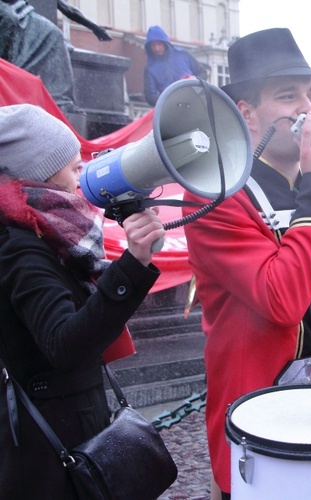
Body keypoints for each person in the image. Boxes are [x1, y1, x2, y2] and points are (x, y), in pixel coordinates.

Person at [181, 28, 311, 498]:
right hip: (257, 418)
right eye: (287, 96)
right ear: (246, 112)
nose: (308, 109)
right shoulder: (213, 194)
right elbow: (280, 300)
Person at [0, 104, 164, 497]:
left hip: (63, 432)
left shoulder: (46, 232)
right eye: (73, 168)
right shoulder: (22, 247)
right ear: (41, 170)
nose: (81, 177)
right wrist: (133, 265)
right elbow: (65, 343)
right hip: (50, 450)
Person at [143, 25, 207, 106]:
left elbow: (203, 73)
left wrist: (194, 80)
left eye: (159, 44)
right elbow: (150, 96)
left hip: (194, 100)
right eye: (153, 45)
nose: (157, 48)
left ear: (164, 43)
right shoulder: (150, 68)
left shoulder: (183, 54)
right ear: (149, 46)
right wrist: (167, 102)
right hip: (172, 108)